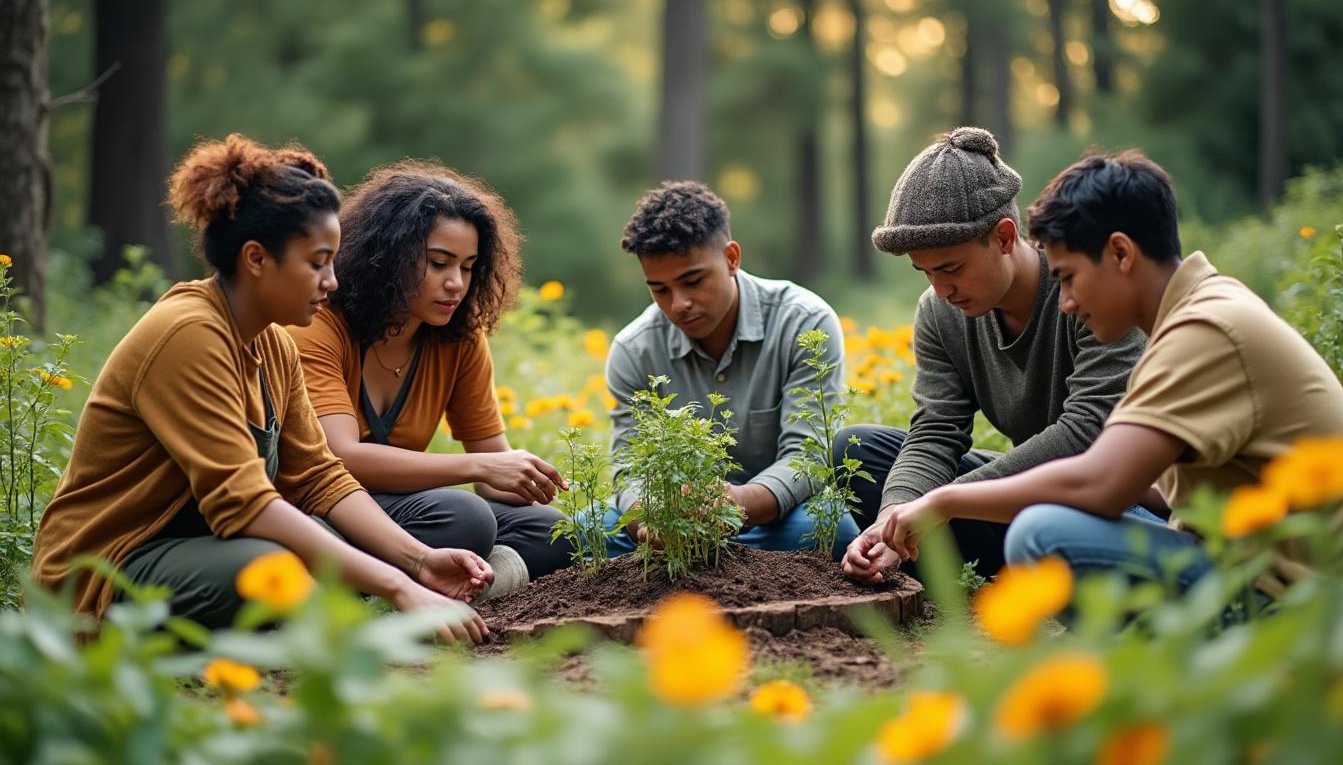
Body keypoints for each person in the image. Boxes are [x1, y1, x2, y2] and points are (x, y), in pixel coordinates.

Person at [31, 135, 490, 643]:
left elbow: (320, 477)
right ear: (255, 259)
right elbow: (243, 503)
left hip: (202, 547)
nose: (333, 281)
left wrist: (418, 561)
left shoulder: (274, 344)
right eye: (317, 263)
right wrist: (397, 587)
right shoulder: (189, 334)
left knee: (307, 552)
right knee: (277, 567)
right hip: (107, 573)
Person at [853, 150, 1343, 601]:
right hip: (1235, 554)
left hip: (1289, 594)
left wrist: (946, 502)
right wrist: (899, 514)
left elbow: (1099, 475)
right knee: (868, 451)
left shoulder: (1206, 328)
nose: (1065, 302)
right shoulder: (1193, 314)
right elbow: (1154, 485)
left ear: (1121, 254)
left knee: (1043, 532)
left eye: (1067, 277)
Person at [839, 127, 1146, 583]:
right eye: (924, 273)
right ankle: (1000, 575)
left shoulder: (1088, 290)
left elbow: (1089, 431)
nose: (941, 291)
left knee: (1047, 519)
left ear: (1004, 237)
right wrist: (894, 521)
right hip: (1028, 499)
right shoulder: (939, 314)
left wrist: (943, 503)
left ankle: (1043, 570)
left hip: (1111, 493)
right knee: (858, 449)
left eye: (951, 268)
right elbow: (935, 431)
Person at [288, 161, 573, 597]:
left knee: (554, 531)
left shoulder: (458, 337)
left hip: (406, 510)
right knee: (466, 518)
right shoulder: (320, 325)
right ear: (387, 257)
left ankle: (460, 582)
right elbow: (341, 456)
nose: (456, 284)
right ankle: (447, 581)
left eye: (469, 267)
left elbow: (491, 466)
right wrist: (480, 466)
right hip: (330, 506)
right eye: (439, 263)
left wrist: (529, 477)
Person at [596, 181, 860, 559]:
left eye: (693, 281)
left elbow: (809, 456)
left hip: (773, 517)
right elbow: (629, 468)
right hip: (672, 525)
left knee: (827, 527)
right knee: (588, 531)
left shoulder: (805, 323)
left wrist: (737, 503)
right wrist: (650, 520)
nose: (679, 304)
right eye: (660, 290)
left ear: (732, 258)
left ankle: (706, 561)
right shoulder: (633, 349)